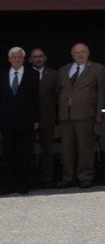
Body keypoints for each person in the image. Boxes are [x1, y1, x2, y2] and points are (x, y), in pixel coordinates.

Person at [56, 43, 105, 189]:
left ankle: (85, 178)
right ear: (72, 55)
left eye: (82, 52)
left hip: (85, 114)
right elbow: (58, 91)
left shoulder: (98, 69)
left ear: (88, 53)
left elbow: (101, 93)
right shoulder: (64, 70)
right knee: (66, 148)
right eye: (77, 53)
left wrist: (99, 113)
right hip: (66, 115)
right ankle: (68, 177)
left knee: (85, 148)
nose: (80, 55)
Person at [0, 47, 41, 195]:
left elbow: (36, 99)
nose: (17, 59)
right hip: (7, 122)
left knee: (25, 154)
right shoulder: (3, 75)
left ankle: (23, 183)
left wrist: (37, 119)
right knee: (8, 154)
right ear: (9, 59)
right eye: (14, 57)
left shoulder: (33, 75)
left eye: (19, 57)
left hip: (26, 121)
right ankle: (8, 184)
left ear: (23, 59)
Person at [29, 48, 58, 187]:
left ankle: (47, 177)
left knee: (47, 149)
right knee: (27, 149)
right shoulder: (26, 74)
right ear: (30, 59)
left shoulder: (53, 74)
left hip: (47, 117)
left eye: (40, 56)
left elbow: (57, 95)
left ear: (45, 58)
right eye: (35, 57)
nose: (38, 59)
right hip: (28, 118)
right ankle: (28, 177)